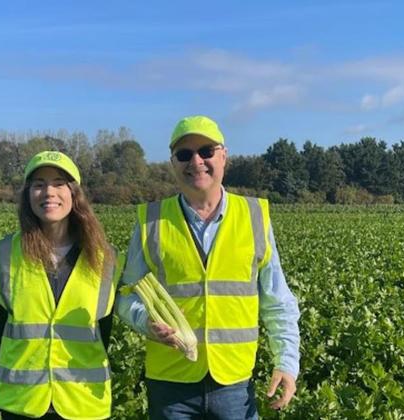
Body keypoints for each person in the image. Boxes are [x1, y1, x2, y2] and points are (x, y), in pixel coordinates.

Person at [116, 115, 301, 419]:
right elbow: (126, 293)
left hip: (234, 384)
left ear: (224, 156)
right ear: (173, 162)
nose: (196, 161)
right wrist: (144, 320)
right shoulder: (151, 221)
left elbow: (277, 300)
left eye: (206, 151)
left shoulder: (254, 216)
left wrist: (287, 362)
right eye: (184, 154)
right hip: (170, 384)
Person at [0, 151, 124, 420]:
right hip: (21, 404)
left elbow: (104, 330)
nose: (49, 192)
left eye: (59, 183)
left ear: (74, 194)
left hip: (83, 402)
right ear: (28, 196)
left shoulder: (107, 259)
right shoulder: (2, 254)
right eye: (38, 184)